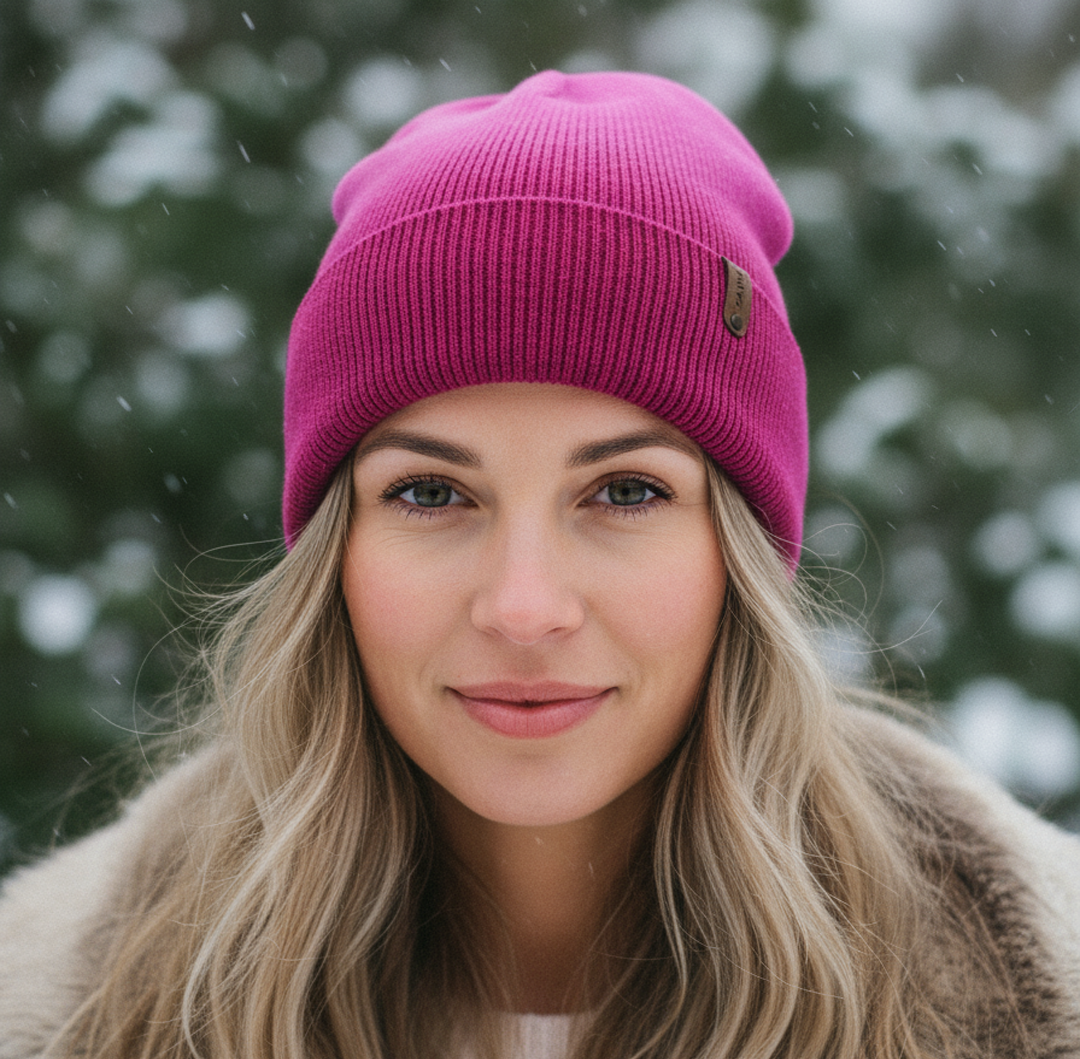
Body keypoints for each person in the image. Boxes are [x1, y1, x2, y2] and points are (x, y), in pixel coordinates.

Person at [2, 69, 1080, 1059]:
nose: (525, 609)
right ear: (335, 553)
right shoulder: (66, 1011)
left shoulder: (1037, 1006)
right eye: (431, 493)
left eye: (627, 492)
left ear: (739, 553)